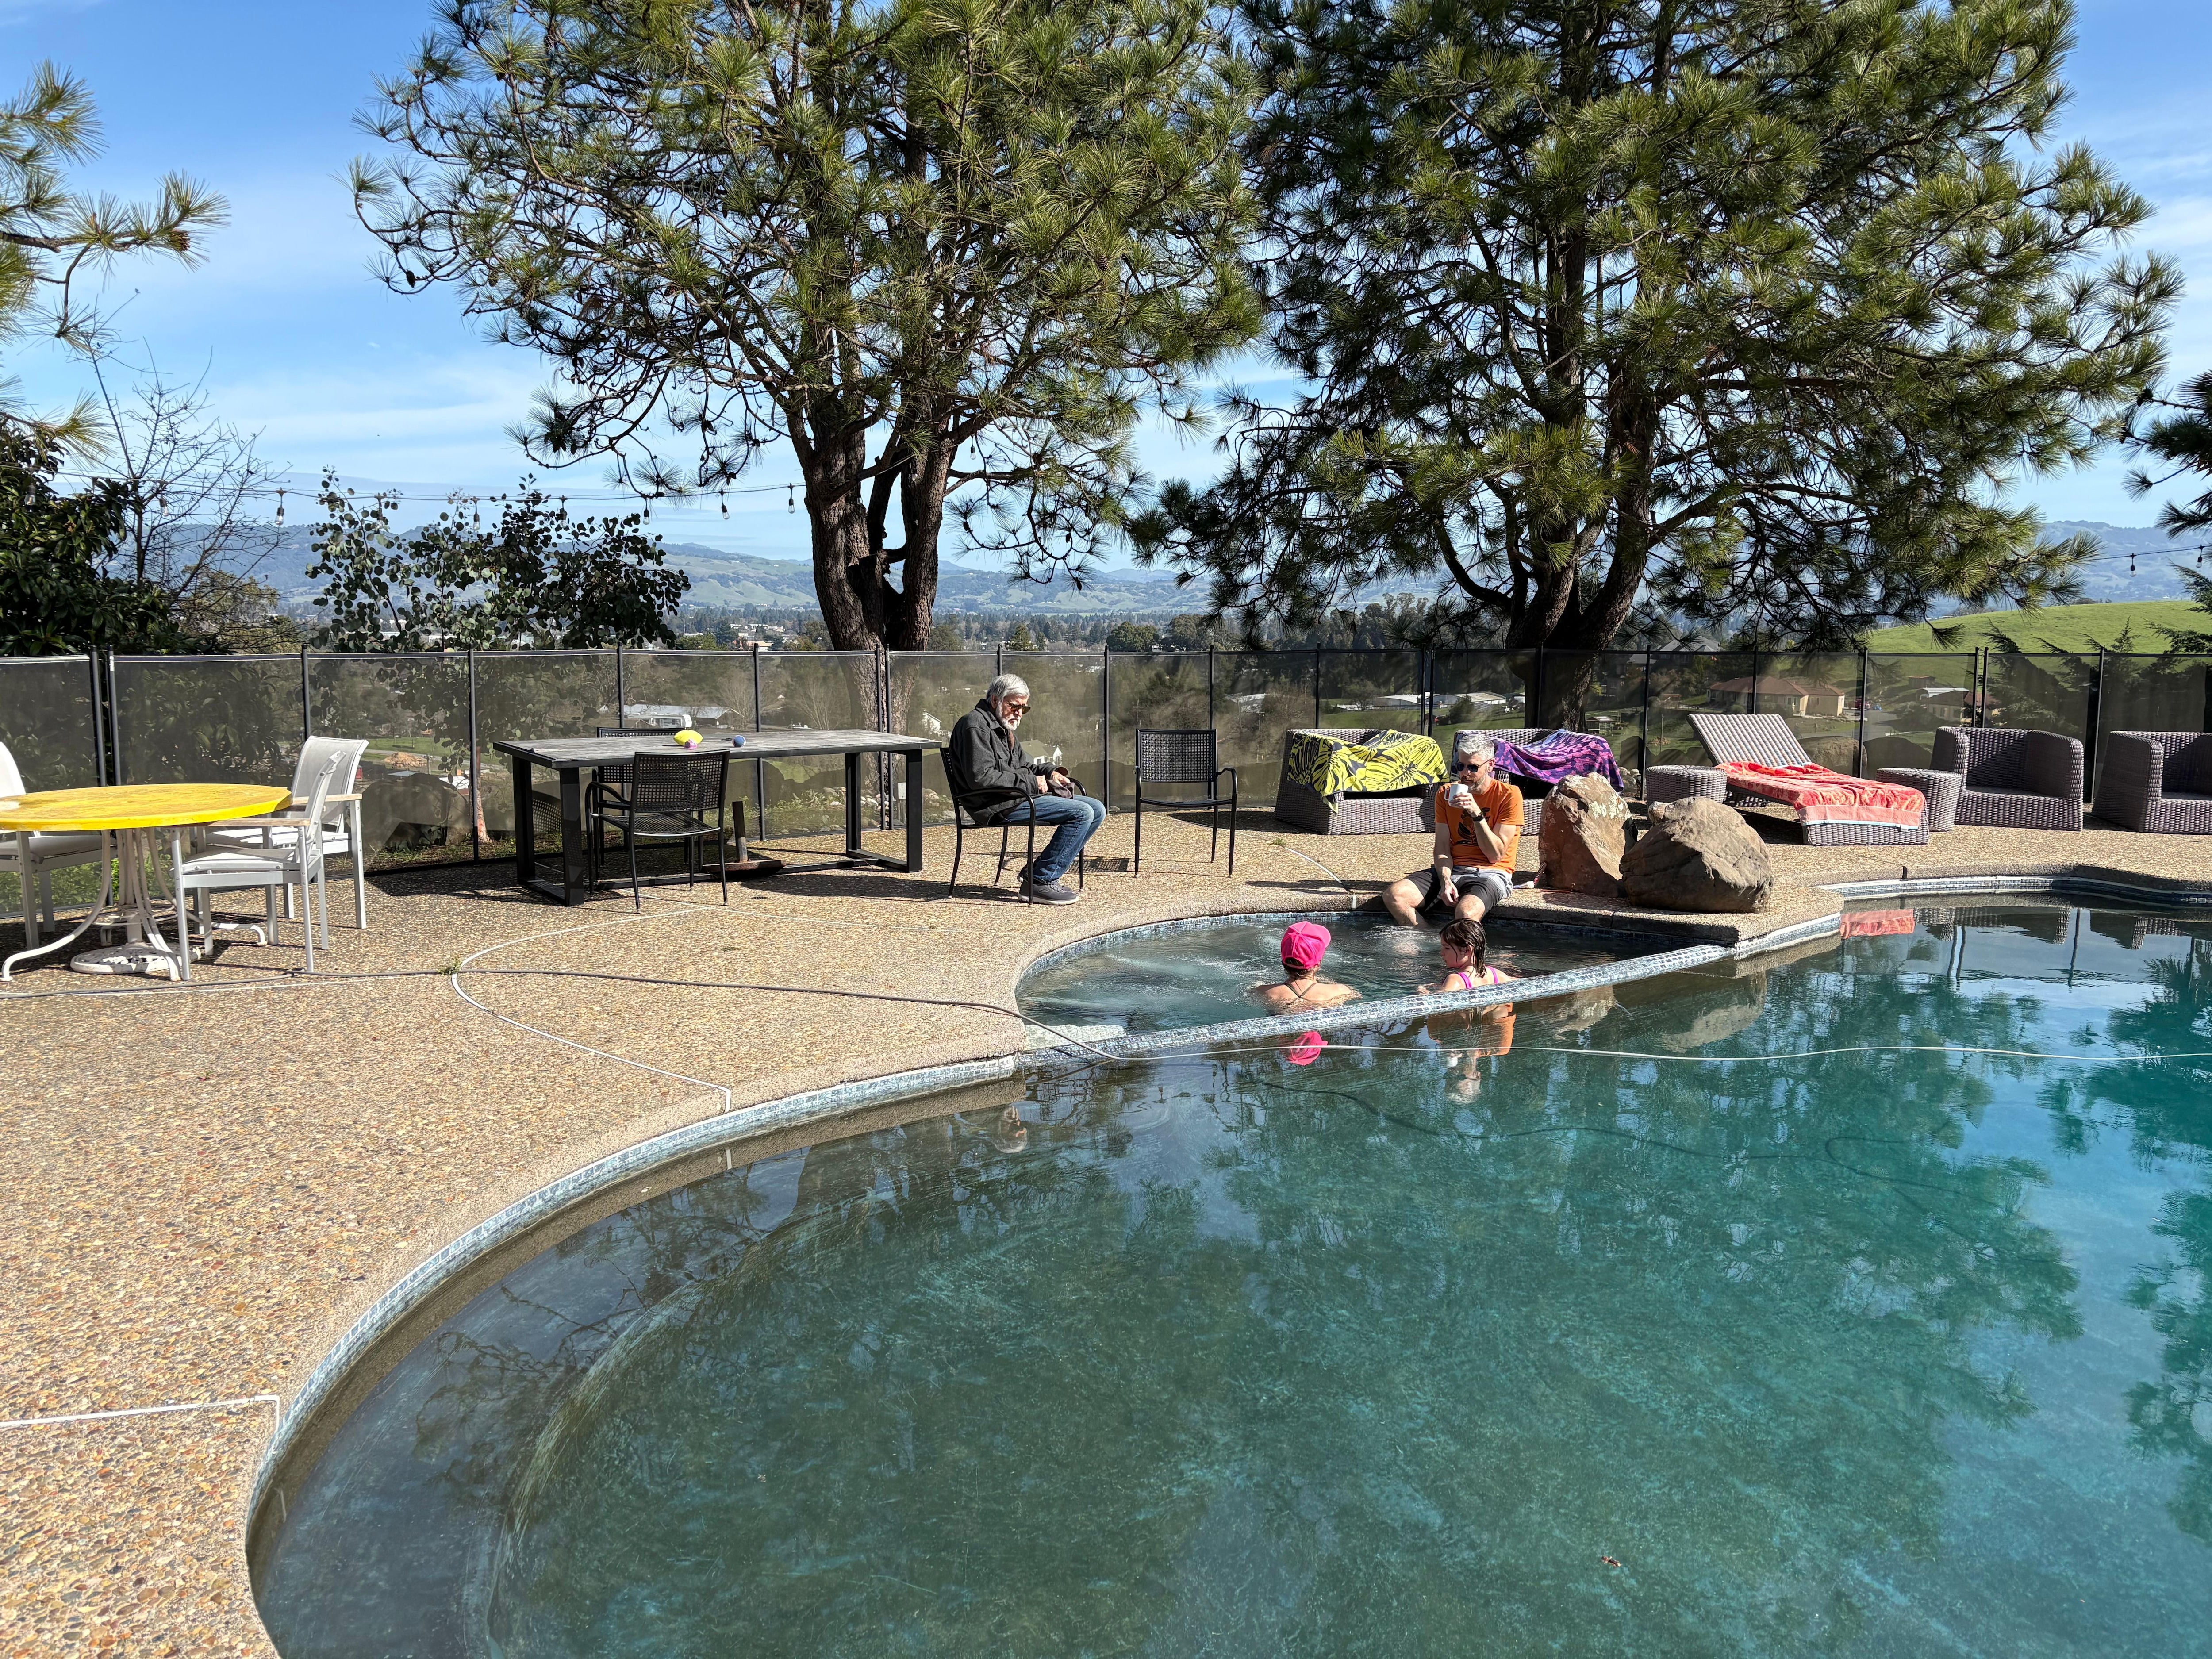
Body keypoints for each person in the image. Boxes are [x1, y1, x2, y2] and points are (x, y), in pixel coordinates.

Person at [945, 672, 1105, 903]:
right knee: (1082, 812)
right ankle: (1040, 880)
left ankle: (1037, 872)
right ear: (995, 700)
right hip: (994, 804)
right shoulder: (975, 726)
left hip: (1014, 797)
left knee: (1097, 809)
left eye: (1024, 708)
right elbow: (981, 778)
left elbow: (1023, 765)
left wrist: (1049, 772)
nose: (1019, 713)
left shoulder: (1003, 727)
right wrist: (1032, 783)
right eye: (1015, 706)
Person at [1383, 731, 1524, 926]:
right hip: (1453, 868)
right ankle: (1432, 947)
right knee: (1395, 896)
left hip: (1492, 872)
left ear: (1490, 765)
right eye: (1460, 766)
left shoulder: (1509, 795)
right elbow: (1442, 848)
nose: (1465, 773)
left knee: (1465, 913)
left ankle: (1463, 953)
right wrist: (1445, 880)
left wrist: (1476, 813)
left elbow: (1495, 855)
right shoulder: (1446, 794)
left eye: (1473, 767)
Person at [1252, 920, 1362, 1013]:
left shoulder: (1262, 992)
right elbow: (1359, 999)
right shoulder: (1341, 992)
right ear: (1319, 962)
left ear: (1284, 961)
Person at [1421, 917, 1515, 994]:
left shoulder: (1455, 980)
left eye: (1447, 948)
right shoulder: (1498, 975)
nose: (1442, 953)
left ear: (1467, 950)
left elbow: (1438, 1011)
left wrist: (1424, 993)